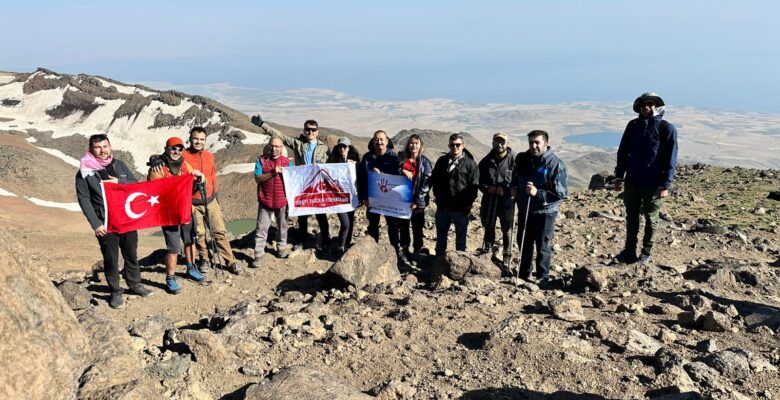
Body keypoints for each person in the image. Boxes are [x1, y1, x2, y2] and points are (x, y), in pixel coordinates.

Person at [76, 134, 152, 309]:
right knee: (111, 258)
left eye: (105, 146)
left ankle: (134, 284)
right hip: (105, 222)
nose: (102, 151)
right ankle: (116, 291)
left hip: (126, 218)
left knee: (131, 253)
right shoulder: (85, 171)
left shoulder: (119, 165)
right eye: (98, 147)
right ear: (91, 149)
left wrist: (120, 181)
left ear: (110, 147)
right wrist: (96, 223)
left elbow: (135, 185)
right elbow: (84, 199)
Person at [613, 92, 678, 266]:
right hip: (632, 181)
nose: (646, 108)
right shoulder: (633, 126)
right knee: (631, 218)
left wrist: (665, 185)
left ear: (656, 106)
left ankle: (646, 253)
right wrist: (619, 176)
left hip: (653, 184)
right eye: (643, 105)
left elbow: (671, 159)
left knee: (651, 218)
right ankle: (629, 252)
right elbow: (623, 152)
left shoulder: (666, 128)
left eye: (650, 104)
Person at [251, 115, 331, 250]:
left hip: (318, 185)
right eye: (307, 129)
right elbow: (279, 135)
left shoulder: (325, 149)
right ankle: (303, 240)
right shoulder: (298, 144)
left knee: (320, 213)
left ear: (317, 131)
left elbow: (333, 163)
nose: (310, 132)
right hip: (303, 184)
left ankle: (326, 240)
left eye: (313, 130)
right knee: (302, 213)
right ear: (304, 130)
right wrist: (262, 124)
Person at [181, 127, 243, 275]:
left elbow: (213, 175)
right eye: (196, 138)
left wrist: (215, 194)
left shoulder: (209, 156)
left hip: (210, 201)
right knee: (199, 233)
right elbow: (168, 158)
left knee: (219, 232)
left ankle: (231, 261)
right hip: (192, 202)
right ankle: (205, 259)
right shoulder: (182, 156)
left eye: (202, 139)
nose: (198, 142)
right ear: (190, 138)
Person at [147, 137, 206, 294]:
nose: (176, 152)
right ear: (167, 149)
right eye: (173, 148)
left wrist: (198, 179)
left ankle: (190, 267)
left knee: (189, 240)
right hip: (169, 213)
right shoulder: (157, 168)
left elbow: (191, 182)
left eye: (180, 149)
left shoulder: (185, 164)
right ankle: (170, 277)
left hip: (186, 209)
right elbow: (154, 190)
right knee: (173, 247)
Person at [511, 130, 568, 282]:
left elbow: (561, 193)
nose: (534, 146)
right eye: (531, 142)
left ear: (546, 143)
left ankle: (543, 277)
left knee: (543, 245)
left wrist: (538, 193)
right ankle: (523, 274)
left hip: (545, 212)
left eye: (537, 142)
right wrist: (514, 188)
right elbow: (515, 178)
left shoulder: (555, 164)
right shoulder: (523, 160)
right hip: (525, 209)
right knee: (524, 243)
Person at [431, 133, 479, 256]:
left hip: (460, 209)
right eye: (452, 145)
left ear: (463, 146)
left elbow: (474, 187)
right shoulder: (442, 161)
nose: (455, 147)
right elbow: (435, 181)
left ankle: (459, 263)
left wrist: (467, 205)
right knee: (441, 238)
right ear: (448, 146)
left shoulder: (470, 164)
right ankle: (438, 263)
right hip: (443, 207)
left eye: (458, 145)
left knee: (461, 241)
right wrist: (438, 199)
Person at [357, 130, 402, 258]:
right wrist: (364, 197)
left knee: (393, 225)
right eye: (376, 139)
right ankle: (373, 250)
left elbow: (398, 178)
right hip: (372, 198)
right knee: (372, 224)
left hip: (390, 198)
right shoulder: (367, 158)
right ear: (373, 141)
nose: (379, 142)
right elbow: (361, 179)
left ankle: (395, 251)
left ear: (387, 141)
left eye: (382, 139)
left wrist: (381, 174)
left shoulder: (394, 157)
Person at [252, 137, 292, 267]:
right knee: (262, 227)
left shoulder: (287, 163)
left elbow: (293, 181)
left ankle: (281, 248)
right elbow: (258, 179)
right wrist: (272, 172)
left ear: (281, 148)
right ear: (269, 146)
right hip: (265, 199)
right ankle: (258, 254)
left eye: (277, 146)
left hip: (282, 200)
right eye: (272, 146)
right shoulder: (261, 160)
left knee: (282, 226)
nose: (274, 149)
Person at [477, 132, 516, 265]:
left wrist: (506, 191)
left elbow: (517, 183)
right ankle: (488, 251)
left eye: (502, 142)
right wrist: (488, 188)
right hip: (489, 200)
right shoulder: (486, 161)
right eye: (496, 142)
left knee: (507, 229)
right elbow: (478, 180)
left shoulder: (514, 162)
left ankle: (507, 255)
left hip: (506, 202)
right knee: (489, 226)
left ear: (507, 143)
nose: (499, 145)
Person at [397, 134, 433, 264]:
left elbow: (427, 183)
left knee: (417, 226)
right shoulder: (402, 158)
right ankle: (405, 249)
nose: (414, 145)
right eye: (411, 143)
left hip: (418, 201)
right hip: (402, 199)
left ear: (420, 146)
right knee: (403, 226)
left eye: (416, 143)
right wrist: (403, 170)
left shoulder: (425, 162)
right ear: (408, 144)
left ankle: (418, 250)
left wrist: (416, 201)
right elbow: (394, 172)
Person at [327, 137, 361, 256]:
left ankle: (346, 244)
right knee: (345, 223)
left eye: (344, 146)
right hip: (339, 198)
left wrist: (355, 165)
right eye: (340, 146)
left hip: (351, 197)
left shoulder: (354, 160)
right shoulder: (333, 161)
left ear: (348, 148)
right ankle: (340, 246)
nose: (342, 149)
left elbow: (360, 176)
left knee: (350, 222)